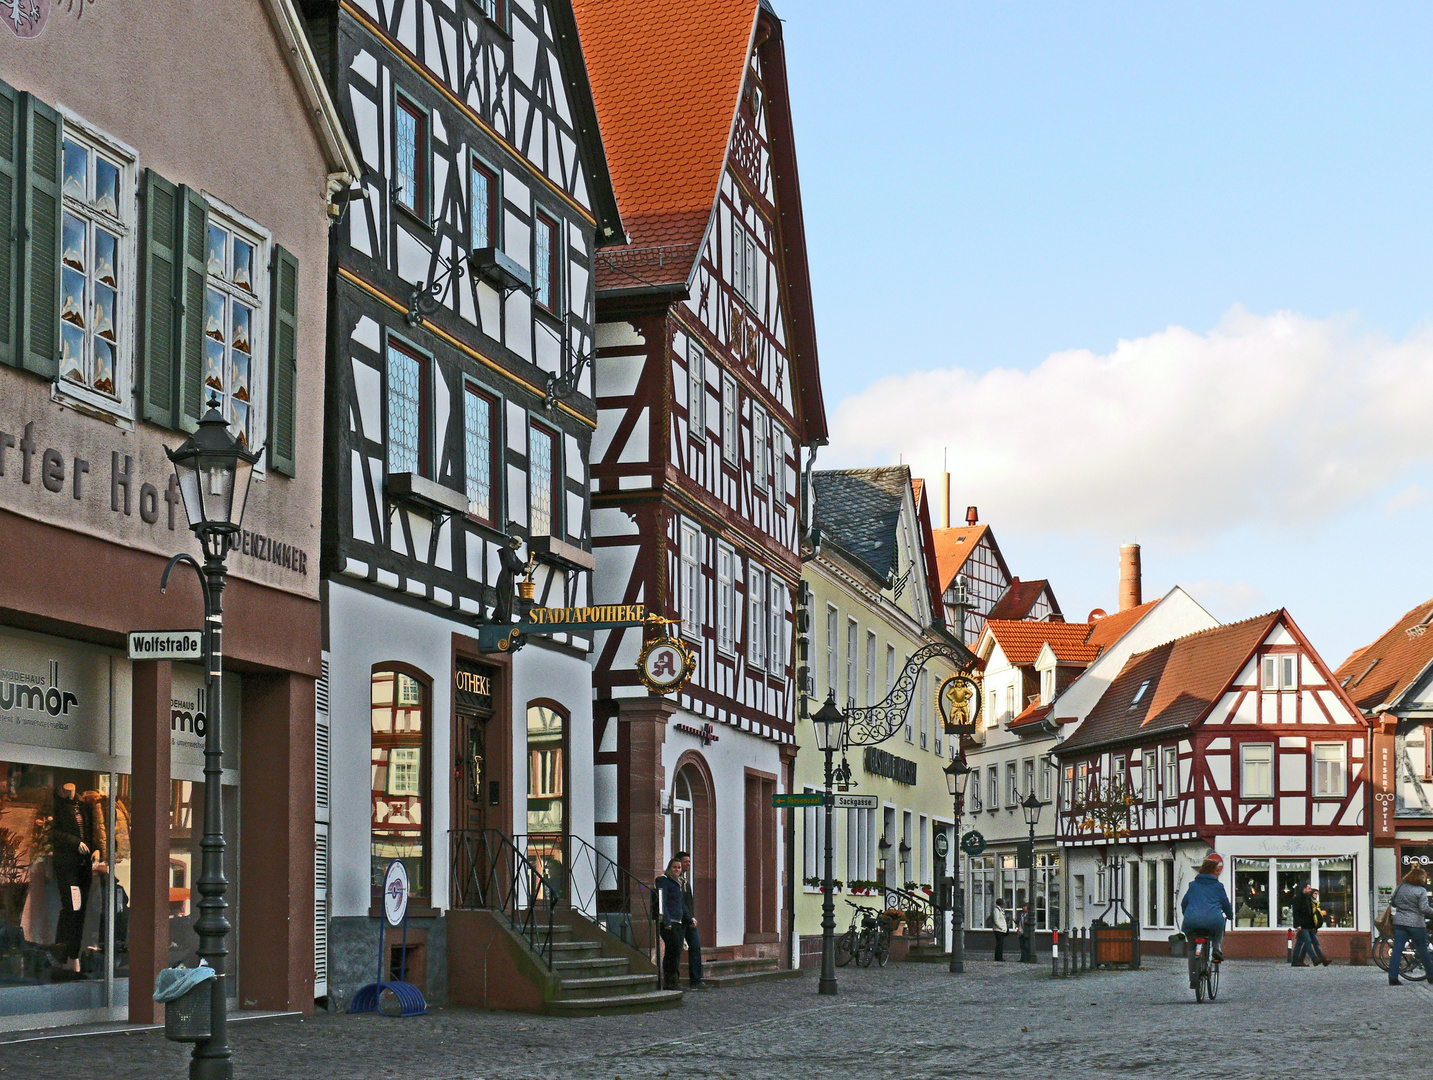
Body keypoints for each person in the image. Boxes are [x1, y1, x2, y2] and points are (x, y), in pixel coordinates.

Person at [1180, 853, 1234, 964]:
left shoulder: (1193, 885)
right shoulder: (1218, 887)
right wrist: (1230, 915)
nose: (1219, 873)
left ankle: (1193, 977)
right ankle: (1216, 948)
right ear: (1212, 872)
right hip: (1213, 922)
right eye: (1217, 871)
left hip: (1192, 922)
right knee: (1219, 928)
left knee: (1192, 947)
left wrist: (1187, 914)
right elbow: (1225, 904)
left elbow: (1184, 903)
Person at [1387, 865, 1433, 986]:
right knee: (1422, 949)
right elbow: (1424, 908)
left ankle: (1393, 977)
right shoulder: (1421, 891)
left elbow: (1393, 902)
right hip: (1416, 924)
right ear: (1420, 878)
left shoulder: (1400, 887)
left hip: (1399, 922)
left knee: (1397, 949)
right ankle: (1431, 975)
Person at [654, 857, 689, 990]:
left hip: (678, 921)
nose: (677, 870)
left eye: (679, 868)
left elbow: (682, 904)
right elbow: (662, 901)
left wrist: (689, 918)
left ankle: (674, 979)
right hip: (669, 922)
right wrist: (666, 920)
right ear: (670, 868)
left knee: (676, 950)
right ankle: (670, 980)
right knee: (672, 949)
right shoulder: (664, 881)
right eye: (674, 867)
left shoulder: (679, 883)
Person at [676, 851, 707, 989]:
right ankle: (674, 981)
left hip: (689, 920)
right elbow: (680, 902)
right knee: (676, 950)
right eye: (685, 861)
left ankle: (696, 980)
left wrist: (692, 917)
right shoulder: (676, 880)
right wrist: (690, 917)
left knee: (695, 947)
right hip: (680, 920)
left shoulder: (685, 881)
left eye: (689, 861)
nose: (688, 864)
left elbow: (688, 902)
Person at [1291, 885, 1328, 967]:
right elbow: (1296, 913)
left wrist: (1313, 925)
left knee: (1302, 943)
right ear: (1304, 889)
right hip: (1302, 925)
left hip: (1309, 925)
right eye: (1309, 888)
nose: (1310, 890)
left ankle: (1297, 960)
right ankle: (1314, 959)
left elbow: (1310, 913)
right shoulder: (1298, 898)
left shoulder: (1307, 898)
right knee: (1307, 941)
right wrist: (1298, 925)